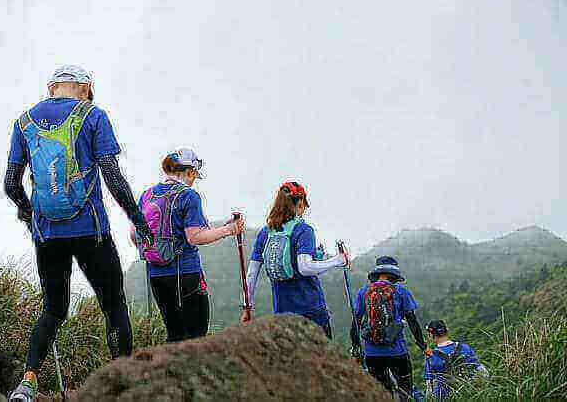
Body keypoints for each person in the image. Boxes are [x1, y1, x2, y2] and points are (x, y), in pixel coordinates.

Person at [4, 64, 153, 402]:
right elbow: (112, 177)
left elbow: (11, 184)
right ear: (85, 88)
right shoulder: (93, 115)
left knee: (53, 310)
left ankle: (27, 382)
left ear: (51, 86)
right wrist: (139, 221)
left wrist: (30, 217)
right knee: (113, 305)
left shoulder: (24, 122)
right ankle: (121, 384)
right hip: (91, 231)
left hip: (47, 235)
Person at [130, 148, 244, 343]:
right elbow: (194, 237)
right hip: (186, 273)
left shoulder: (147, 195)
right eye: (195, 175)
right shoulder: (189, 196)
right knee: (196, 335)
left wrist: (157, 252)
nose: (194, 180)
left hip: (157, 276)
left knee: (174, 333)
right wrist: (230, 230)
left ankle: (168, 373)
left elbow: (134, 235)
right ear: (190, 172)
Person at [243, 181, 350, 339]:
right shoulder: (303, 230)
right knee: (321, 361)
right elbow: (305, 267)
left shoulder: (266, 232)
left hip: (282, 315)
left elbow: (251, 274)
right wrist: (338, 260)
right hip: (312, 312)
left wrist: (247, 307)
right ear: (300, 203)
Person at [349, 256, 429, 401]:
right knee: (406, 390)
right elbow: (413, 322)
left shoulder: (363, 292)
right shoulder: (401, 291)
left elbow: (355, 323)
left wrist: (356, 349)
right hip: (397, 352)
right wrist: (423, 346)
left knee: (381, 393)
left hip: (372, 354)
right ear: (394, 274)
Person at [424, 319, 489, 400]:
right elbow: (483, 373)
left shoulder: (431, 356)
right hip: (468, 396)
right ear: (446, 331)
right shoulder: (464, 348)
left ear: (430, 334)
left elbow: (429, 389)